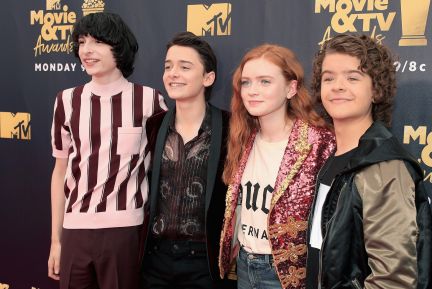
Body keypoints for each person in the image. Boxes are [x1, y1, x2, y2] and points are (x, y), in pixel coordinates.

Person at [306, 34, 432, 289]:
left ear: (376, 90)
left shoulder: (383, 166)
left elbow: (393, 280)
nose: (337, 86)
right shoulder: (332, 159)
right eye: (329, 77)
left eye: (353, 77)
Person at [48, 12, 166, 289]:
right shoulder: (66, 101)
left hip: (125, 231)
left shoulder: (149, 100)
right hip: (75, 230)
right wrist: (57, 239)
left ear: (119, 47)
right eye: (81, 42)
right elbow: (60, 172)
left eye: (98, 42)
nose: (86, 50)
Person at [218, 44, 335, 289]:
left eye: (265, 81)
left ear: (291, 88)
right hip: (243, 266)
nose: (252, 91)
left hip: (287, 274)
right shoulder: (242, 137)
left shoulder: (318, 143)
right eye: (246, 82)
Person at [140, 32, 236, 289]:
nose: (173, 73)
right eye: (168, 66)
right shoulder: (154, 124)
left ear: (208, 77)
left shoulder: (230, 127)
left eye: (185, 67)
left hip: (204, 262)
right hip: (155, 259)